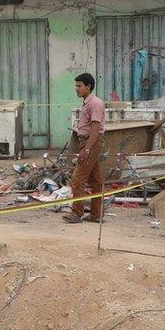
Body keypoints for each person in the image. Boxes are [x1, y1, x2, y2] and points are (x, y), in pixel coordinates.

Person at [63, 72, 105, 224]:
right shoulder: (88, 102)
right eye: (76, 85)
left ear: (88, 86)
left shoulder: (95, 103)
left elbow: (95, 127)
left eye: (79, 86)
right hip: (88, 142)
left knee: (77, 178)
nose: (76, 89)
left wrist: (86, 149)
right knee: (96, 181)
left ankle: (76, 213)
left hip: (91, 142)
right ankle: (95, 215)